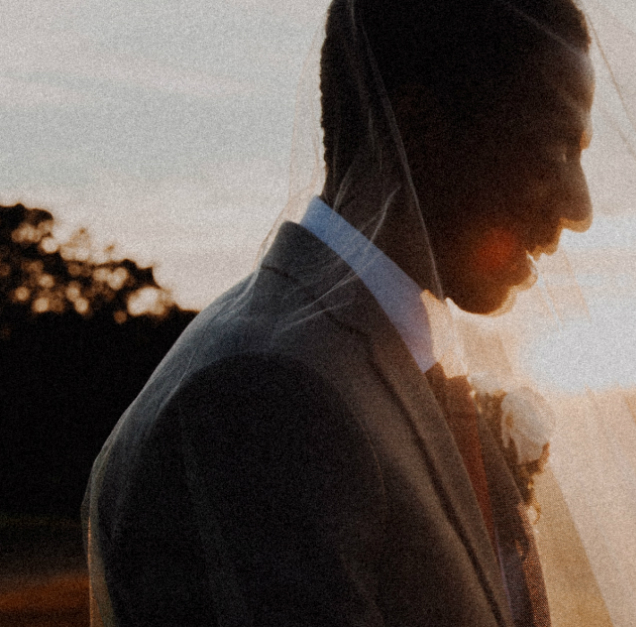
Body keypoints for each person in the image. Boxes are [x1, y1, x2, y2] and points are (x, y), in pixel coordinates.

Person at [82, 0, 593, 625]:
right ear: (417, 134)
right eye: (552, 153)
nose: (579, 207)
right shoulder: (265, 397)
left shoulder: (361, 359)